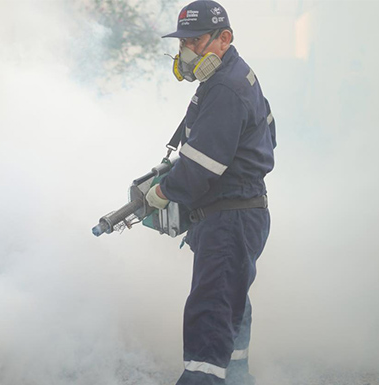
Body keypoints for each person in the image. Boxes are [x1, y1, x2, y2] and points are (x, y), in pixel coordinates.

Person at [144, 1, 276, 384]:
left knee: (211, 310)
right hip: (235, 212)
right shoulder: (233, 78)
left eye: (195, 40)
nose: (187, 50)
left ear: (224, 38)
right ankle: (237, 376)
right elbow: (267, 138)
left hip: (230, 217)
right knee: (230, 302)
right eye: (184, 41)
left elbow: (201, 166)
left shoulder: (226, 87)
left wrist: (163, 191)